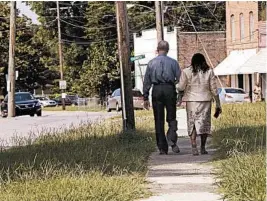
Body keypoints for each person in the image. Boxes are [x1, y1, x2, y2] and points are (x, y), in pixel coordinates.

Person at [177, 53, 222, 156]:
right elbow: (214, 90)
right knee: (204, 124)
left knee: (192, 122)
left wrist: (178, 90)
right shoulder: (209, 72)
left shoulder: (186, 72)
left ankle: (194, 146)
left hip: (191, 101)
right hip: (205, 101)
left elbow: (181, 87)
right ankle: (202, 147)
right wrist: (218, 104)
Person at [143, 41, 181, 155]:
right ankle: (172, 139)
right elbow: (180, 79)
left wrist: (145, 97)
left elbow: (147, 81)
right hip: (169, 89)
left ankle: (162, 148)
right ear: (168, 49)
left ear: (157, 49)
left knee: (158, 120)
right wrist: (178, 91)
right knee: (172, 116)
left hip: (157, 90)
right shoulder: (173, 63)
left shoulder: (151, 63)